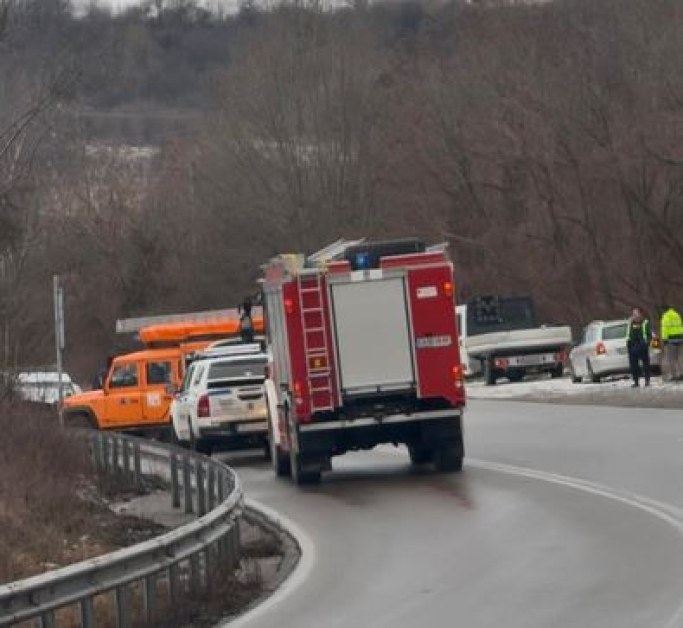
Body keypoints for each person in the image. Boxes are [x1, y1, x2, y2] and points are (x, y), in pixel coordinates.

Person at [626, 307, 652, 387]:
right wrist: (628, 344)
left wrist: (646, 343)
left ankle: (647, 380)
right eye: (634, 314)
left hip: (642, 345)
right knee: (633, 365)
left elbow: (649, 334)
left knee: (645, 364)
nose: (635, 315)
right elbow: (628, 334)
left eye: (636, 313)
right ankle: (636, 381)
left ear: (641, 314)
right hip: (632, 345)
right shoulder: (630, 322)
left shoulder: (645, 322)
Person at [660, 304, 683, 382]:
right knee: (679, 357)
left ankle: (674, 375)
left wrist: (664, 339)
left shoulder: (666, 316)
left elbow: (665, 329)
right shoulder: (676, 315)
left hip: (671, 339)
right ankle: (681, 373)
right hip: (680, 338)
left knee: (671, 358)